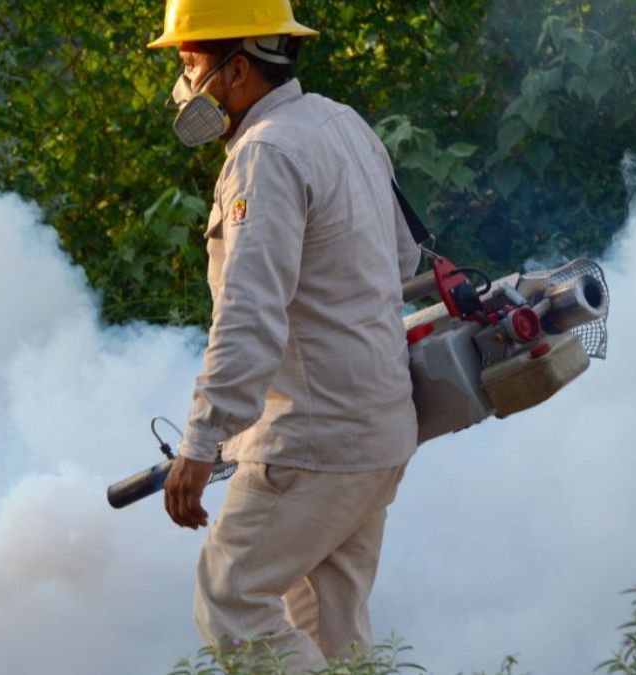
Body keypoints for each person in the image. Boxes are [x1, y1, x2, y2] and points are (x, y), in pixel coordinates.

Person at [148, 1, 422, 671]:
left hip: (312, 441)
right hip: (378, 431)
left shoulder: (264, 154)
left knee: (229, 598)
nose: (183, 86)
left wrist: (201, 441)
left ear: (237, 68)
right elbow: (404, 259)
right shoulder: (340, 123)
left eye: (190, 64)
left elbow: (248, 313)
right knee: (335, 634)